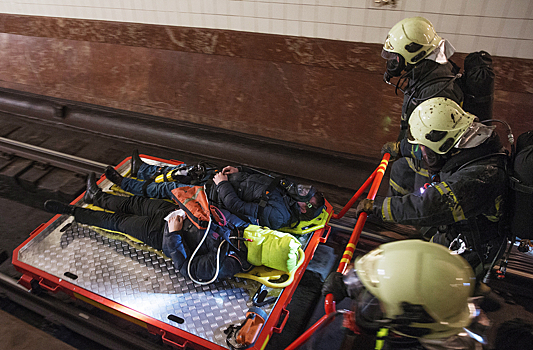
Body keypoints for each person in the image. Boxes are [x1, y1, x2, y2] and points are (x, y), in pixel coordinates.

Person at [357, 97, 508, 280]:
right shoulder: (468, 146)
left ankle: (475, 291)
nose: (422, 152)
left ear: (443, 144)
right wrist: (402, 148)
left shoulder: (479, 177)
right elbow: (432, 148)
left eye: (423, 147)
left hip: (470, 251)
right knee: (403, 167)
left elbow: (430, 206)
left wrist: (379, 208)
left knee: (414, 284)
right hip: (458, 229)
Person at [44, 173, 254, 283]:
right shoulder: (245, 229)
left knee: (119, 222)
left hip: (162, 233)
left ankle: (74, 212)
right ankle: (96, 197)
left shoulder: (228, 262)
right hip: (176, 212)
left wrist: (175, 235)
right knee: (132, 203)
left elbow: (186, 269)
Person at [322, 240, 483, 350]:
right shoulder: (444, 305)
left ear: (412, 321)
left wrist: (367, 326)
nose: (368, 303)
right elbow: (397, 281)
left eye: (377, 303)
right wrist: (348, 285)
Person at [104, 150, 325, 230]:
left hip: (215, 193)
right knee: (183, 170)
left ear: (304, 209)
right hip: (223, 180)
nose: (302, 193)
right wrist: (239, 170)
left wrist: (222, 184)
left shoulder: (279, 215)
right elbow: (262, 178)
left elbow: (237, 206)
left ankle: (125, 184)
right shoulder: (286, 195)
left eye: (307, 199)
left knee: (168, 188)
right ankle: (140, 169)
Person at [381, 16, 464, 199]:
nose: (392, 62)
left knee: (425, 206)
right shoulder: (423, 72)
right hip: (418, 156)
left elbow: (435, 147)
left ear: (414, 54)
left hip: (433, 164)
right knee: (399, 172)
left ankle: (419, 224)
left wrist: (401, 148)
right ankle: (390, 218)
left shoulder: (436, 90)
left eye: (396, 57)